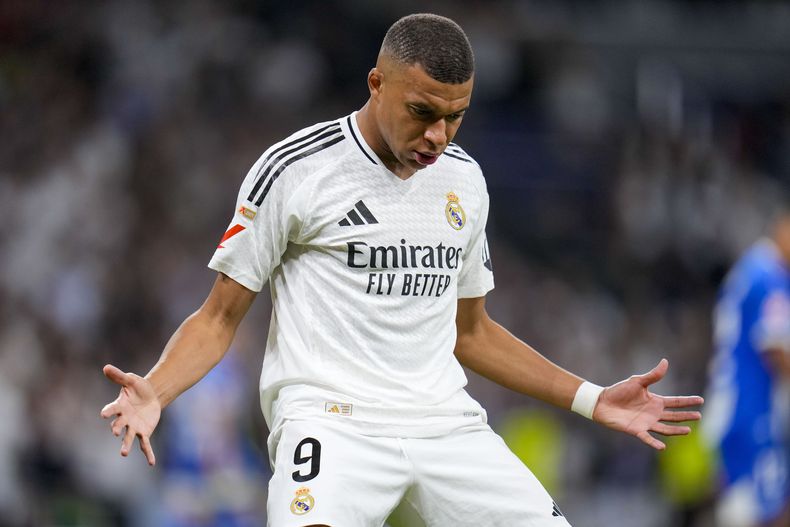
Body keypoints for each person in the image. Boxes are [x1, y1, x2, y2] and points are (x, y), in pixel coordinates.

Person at [101, 13, 703, 526]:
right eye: (421, 111)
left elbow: (471, 333)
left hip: (446, 426)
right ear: (376, 83)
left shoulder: (464, 179)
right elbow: (217, 319)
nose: (437, 136)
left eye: (456, 116)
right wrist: (157, 388)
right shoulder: (296, 170)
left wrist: (592, 399)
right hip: (332, 426)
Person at [703, 205, 790, 527]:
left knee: (742, 508)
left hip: (734, 402)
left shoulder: (751, 269)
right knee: (767, 512)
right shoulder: (770, 277)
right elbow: (777, 351)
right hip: (750, 409)